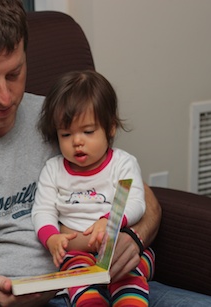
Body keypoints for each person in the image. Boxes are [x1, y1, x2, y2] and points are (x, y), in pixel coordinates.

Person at [0, 0, 211, 306]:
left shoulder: (59, 119)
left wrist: (133, 236)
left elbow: (142, 196)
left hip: (115, 284)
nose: (6, 97)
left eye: (15, 73)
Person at [33, 70, 154, 306]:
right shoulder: (53, 169)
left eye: (88, 132)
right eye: (66, 134)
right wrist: (51, 238)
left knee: (130, 273)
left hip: (118, 248)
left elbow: (137, 203)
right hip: (77, 256)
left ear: (110, 128)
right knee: (80, 283)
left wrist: (109, 221)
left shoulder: (123, 163)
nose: (77, 141)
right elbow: (42, 211)